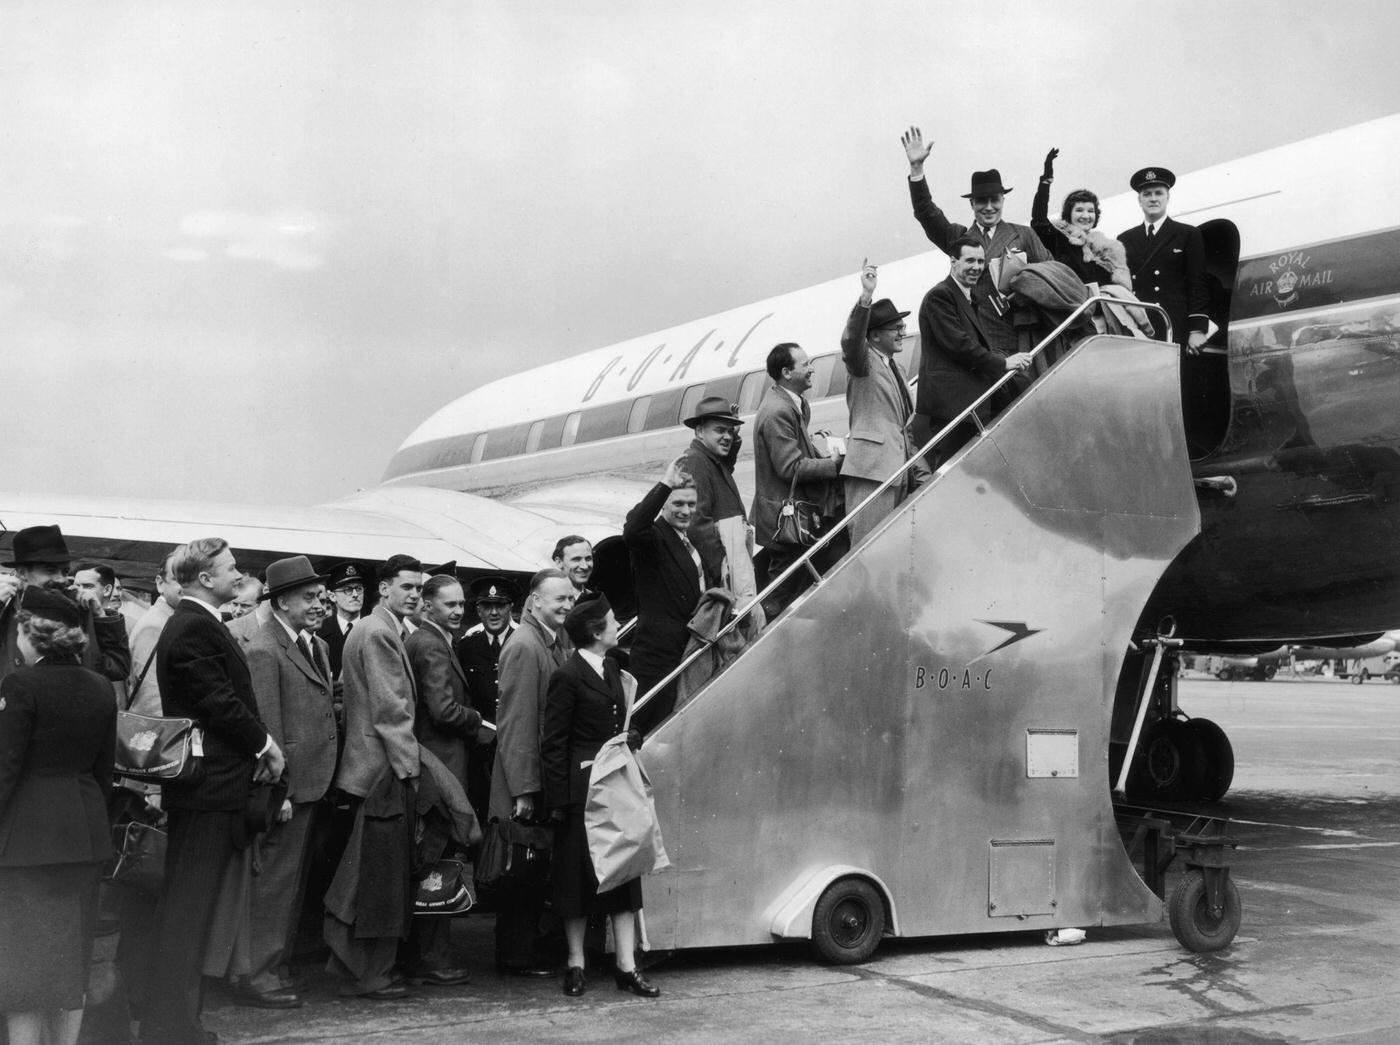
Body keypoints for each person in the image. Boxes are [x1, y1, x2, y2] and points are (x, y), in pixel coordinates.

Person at [143, 538, 286, 1045]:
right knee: (189, 911)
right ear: (205, 578)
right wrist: (266, 744)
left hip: (209, 791)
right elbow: (219, 702)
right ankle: (170, 1025)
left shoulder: (197, 622)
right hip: (209, 793)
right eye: (229, 568)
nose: (236, 573)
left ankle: (176, 1021)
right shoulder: (196, 626)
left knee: (190, 909)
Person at [0, 588, 116, 1045]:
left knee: (23, 972)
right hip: (83, 836)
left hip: (27, 844)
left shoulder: (20, 685)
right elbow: (104, 772)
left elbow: (4, 771)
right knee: (72, 962)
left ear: (32, 633)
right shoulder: (100, 685)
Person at [540, 594, 659, 999]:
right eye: (611, 621)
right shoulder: (568, 676)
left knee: (623, 874)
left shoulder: (612, 667)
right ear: (594, 632)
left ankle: (627, 966)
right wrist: (558, 801)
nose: (616, 625)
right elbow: (553, 743)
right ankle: (576, 964)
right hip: (581, 792)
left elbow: (617, 721)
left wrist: (632, 734)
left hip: (615, 787)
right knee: (576, 881)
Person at [237, 556, 339, 1009]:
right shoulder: (263, 649)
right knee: (274, 884)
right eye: (310, 597)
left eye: (320, 596)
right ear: (281, 602)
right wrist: (278, 792)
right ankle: (257, 973)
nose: (320, 604)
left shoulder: (312, 645)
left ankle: (274, 965)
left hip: (313, 786)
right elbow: (268, 729)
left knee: (291, 882)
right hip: (290, 790)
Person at [326, 553, 426, 999]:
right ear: (383, 588)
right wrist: (410, 771)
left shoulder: (368, 628)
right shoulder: (381, 632)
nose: (415, 595)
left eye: (419, 588)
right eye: (407, 586)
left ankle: (352, 966)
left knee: (362, 877)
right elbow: (392, 710)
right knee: (378, 882)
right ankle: (369, 972)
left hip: (366, 768)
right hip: (383, 772)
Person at [901, 125, 1051, 360]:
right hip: (980, 343)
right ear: (972, 204)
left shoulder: (1024, 235)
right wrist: (917, 168)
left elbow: (1050, 276)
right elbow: (925, 212)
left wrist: (1025, 289)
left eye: (995, 199)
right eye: (981, 200)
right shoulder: (959, 239)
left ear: (1003, 200)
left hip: (1025, 338)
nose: (989, 207)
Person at [490, 568, 575, 977]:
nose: (567, 605)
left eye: (571, 599)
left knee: (531, 870)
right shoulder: (526, 644)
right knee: (521, 871)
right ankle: (515, 956)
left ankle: (521, 952)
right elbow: (516, 721)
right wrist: (524, 789)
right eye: (558, 598)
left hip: (538, 775)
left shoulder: (548, 641)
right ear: (535, 601)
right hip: (526, 779)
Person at [1117, 166, 1215, 454]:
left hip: (1176, 326)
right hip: (1142, 328)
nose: (1153, 198)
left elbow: (1198, 284)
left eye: (1158, 193)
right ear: (1139, 200)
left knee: (1181, 391)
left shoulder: (1187, 235)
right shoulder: (1125, 239)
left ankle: (1186, 453)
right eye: (1147, 194)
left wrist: (1198, 329)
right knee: (1147, 393)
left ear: (1167, 197)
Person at [623, 461, 723, 732]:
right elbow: (633, 529)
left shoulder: (684, 539)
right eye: (678, 504)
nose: (686, 511)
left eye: (691, 504)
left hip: (683, 648)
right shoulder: (653, 537)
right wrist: (665, 483)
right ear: (663, 505)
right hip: (657, 657)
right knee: (650, 729)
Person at [839, 263, 933, 545]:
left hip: (899, 469)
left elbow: (903, 427)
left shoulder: (898, 370)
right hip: (872, 470)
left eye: (902, 326)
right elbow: (851, 340)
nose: (902, 331)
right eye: (896, 327)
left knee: (890, 547)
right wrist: (865, 297)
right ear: (875, 335)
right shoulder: (863, 362)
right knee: (867, 547)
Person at [918, 238, 1035, 466]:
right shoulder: (940, 296)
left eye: (981, 261)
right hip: (953, 406)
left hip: (970, 402)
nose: (977, 267)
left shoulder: (968, 296)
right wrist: (1003, 363)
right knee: (957, 471)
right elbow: (958, 345)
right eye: (969, 260)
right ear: (953, 262)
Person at [750, 342, 846, 615]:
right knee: (780, 593)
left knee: (792, 584)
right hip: (787, 522)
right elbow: (789, 467)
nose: (811, 369)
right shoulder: (777, 411)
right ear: (786, 373)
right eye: (804, 365)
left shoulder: (793, 403)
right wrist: (832, 465)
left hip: (793, 518)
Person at [0, 524, 131, 687]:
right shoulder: (6, 609)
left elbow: (118, 668)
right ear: (21, 573)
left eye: (65, 571)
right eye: (50, 570)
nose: (61, 579)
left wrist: (101, 616)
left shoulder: (76, 610)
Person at [675, 396, 762, 630]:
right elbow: (696, 523)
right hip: (721, 574)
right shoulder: (695, 462)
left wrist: (731, 438)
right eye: (719, 430)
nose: (727, 436)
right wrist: (723, 567)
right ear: (699, 432)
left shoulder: (710, 459)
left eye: (730, 431)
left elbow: (725, 463)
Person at [456, 576, 516, 830]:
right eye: (487, 606)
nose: (494, 612)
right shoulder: (467, 645)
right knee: (481, 811)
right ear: (478, 609)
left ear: (510, 607)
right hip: (479, 748)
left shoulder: (522, 641)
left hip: (513, 743)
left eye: (500, 605)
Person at [1031, 148, 1131, 290]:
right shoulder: (1060, 239)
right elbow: (1039, 220)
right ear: (1068, 214)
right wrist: (1045, 182)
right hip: (1073, 307)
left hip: (1103, 308)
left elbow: (1123, 289)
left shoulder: (1110, 249)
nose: (1085, 216)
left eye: (1090, 211)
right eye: (1079, 210)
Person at [126, 549, 183, 716]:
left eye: (192, 580)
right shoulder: (155, 625)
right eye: (178, 579)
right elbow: (151, 699)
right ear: (160, 583)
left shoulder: (174, 619)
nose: (186, 587)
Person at [318, 561, 366, 680]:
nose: (355, 594)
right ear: (332, 596)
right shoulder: (320, 630)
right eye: (348, 590)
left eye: (359, 589)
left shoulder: (372, 629)